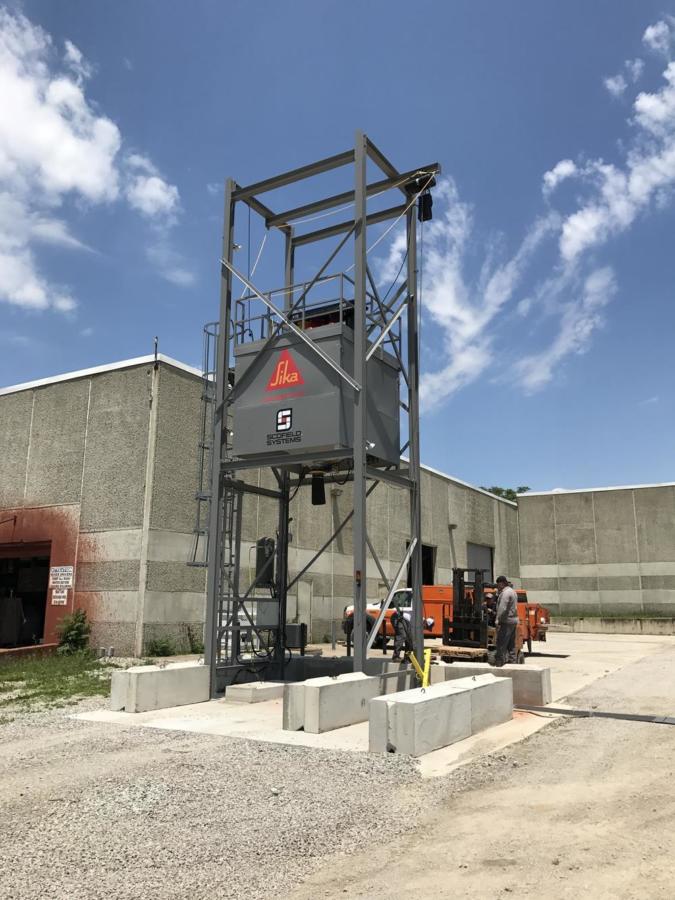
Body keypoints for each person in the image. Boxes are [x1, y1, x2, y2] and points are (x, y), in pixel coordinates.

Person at [494, 575, 518, 666]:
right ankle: (512, 663)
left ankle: (499, 664)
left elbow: (502, 608)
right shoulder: (513, 591)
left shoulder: (505, 593)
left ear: (502, 583)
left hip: (506, 621)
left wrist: (497, 619)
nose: (497, 586)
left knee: (501, 644)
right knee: (511, 645)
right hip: (513, 621)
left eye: (498, 584)